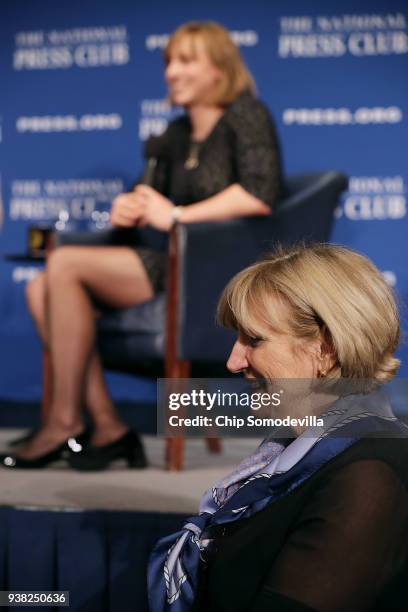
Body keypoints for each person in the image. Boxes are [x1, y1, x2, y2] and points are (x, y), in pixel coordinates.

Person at [2, 21, 283, 470]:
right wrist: (127, 208)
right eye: (169, 61)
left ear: (219, 68)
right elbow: (145, 198)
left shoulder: (246, 116)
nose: (172, 71)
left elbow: (257, 194)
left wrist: (175, 214)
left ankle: (64, 421)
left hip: (214, 269)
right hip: (165, 260)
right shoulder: (172, 135)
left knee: (66, 265)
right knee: (41, 288)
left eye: (186, 60)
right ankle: (109, 427)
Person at [148, 244, 408, 612]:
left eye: (254, 340)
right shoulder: (289, 451)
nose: (233, 361)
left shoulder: (370, 475)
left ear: (325, 349)